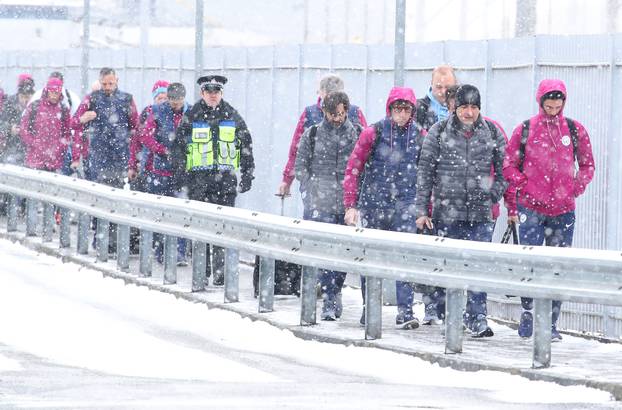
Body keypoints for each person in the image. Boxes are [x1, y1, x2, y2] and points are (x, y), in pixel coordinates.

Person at [503, 79, 595, 342]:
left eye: (558, 102)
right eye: (549, 102)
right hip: (531, 209)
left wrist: (576, 188)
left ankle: (551, 323)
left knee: (557, 267)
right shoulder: (526, 129)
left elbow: (588, 165)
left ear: (564, 101)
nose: (554, 107)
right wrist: (523, 185)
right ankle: (528, 312)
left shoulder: (575, 130)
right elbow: (509, 165)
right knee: (530, 263)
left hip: (563, 211)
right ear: (540, 101)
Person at [415, 84, 508, 338]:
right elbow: (425, 172)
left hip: (480, 214)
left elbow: (505, 170)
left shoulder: (491, 132)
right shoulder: (439, 131)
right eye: (464, 107)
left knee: (478, 267)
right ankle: (447, 313)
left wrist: (493, 195)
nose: (469, 113)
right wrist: (422, 209)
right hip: (447, 212)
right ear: (454, 108)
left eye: (474, 107)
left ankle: (477, 316)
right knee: (449, 267)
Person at [343, 86, 425, 330]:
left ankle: (406, 310)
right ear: (390, 109)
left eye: (406, 109)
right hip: (375, 203)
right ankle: (370, 307)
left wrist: (423, 208)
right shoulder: (374, 132)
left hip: (407, 205)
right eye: (397, 108)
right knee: (371, 258)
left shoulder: (421, 135)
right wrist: (352, 204)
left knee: (405, 257)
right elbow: (354, 167)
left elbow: (428, 172)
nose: (401, 113)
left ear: (412, 111)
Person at [171, 74, 254, 285]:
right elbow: (178, 148)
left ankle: (220, 272)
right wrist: (182, 176)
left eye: (216, 91)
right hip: (199, 183)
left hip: (225, 183)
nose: (213, 95)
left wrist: (247, 173)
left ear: (221, 93)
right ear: (202, 93)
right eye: (209, 92)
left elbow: (245, 144)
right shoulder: (193, 115)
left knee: (223, 229)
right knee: (201, 230)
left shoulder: (231, 115)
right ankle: (202, 271)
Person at [295, 91, 360, 321]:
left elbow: (362, 167)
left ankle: (334, 293)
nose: (337, 118)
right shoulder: (312, 135)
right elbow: (300, 165)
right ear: (324, 112)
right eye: (333, 114)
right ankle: (328, 295)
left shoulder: (357, 134)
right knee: (321, 252)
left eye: (341, 114)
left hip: (344, 205)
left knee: (341, 252)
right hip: (319, 204)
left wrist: (354, 200)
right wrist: (311, 188)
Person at [71, 67, 139, 253]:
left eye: (111, 83)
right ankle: (100, 239)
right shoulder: (92, 98)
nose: (108, 87)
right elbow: (74, 122)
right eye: (104, 84)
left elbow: (136, 126)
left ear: (117, 80)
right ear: (99, 82)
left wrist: (133, 158)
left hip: (119, 157)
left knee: (115, 200)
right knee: (99, 199)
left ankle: (113, 241)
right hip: (98, 157)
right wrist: (84, 118)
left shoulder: (126, 99)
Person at [278, 74, 367, 205]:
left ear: (322, 92)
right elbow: (297, 152)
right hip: (318, 191)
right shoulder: (310, 114)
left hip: (345, 189)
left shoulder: (353, 113)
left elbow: (366, 149)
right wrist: (289, 179)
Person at [129, 82, 190, 266]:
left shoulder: (192, 112)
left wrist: (185, 152)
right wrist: (162, 150)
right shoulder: (157, 111)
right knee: (160, 213)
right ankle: (162, 251)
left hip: (183, 171)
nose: (175, 105)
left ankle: (179, 252)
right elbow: (144, 136)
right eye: (172, 101)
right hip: (159, 171)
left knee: (181, 213)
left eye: (178, 102)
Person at [19, 77, 71, 172]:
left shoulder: (64, 110)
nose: (54, 96)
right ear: (47, 91)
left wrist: (59, 147)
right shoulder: (35, 106)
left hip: (54, 163)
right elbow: (24, 129)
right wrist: (34, 143)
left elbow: (67, 134)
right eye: (52, 92)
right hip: (34, 160)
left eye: (57, 93)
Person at [0, 74, 35, 166]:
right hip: (12, 146)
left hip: (30, 149)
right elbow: (1, 123)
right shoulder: (9, 103)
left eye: (28, 97)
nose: (25, 101)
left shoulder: (36, 105)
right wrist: (10, 128)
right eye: (22, 97)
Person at [415, 65, 457, 132]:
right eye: (439, 87)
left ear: (455, 84)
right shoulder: (417, 109)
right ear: (431, 84)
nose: (443, 92)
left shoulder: (465, 108)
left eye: (447, 87)